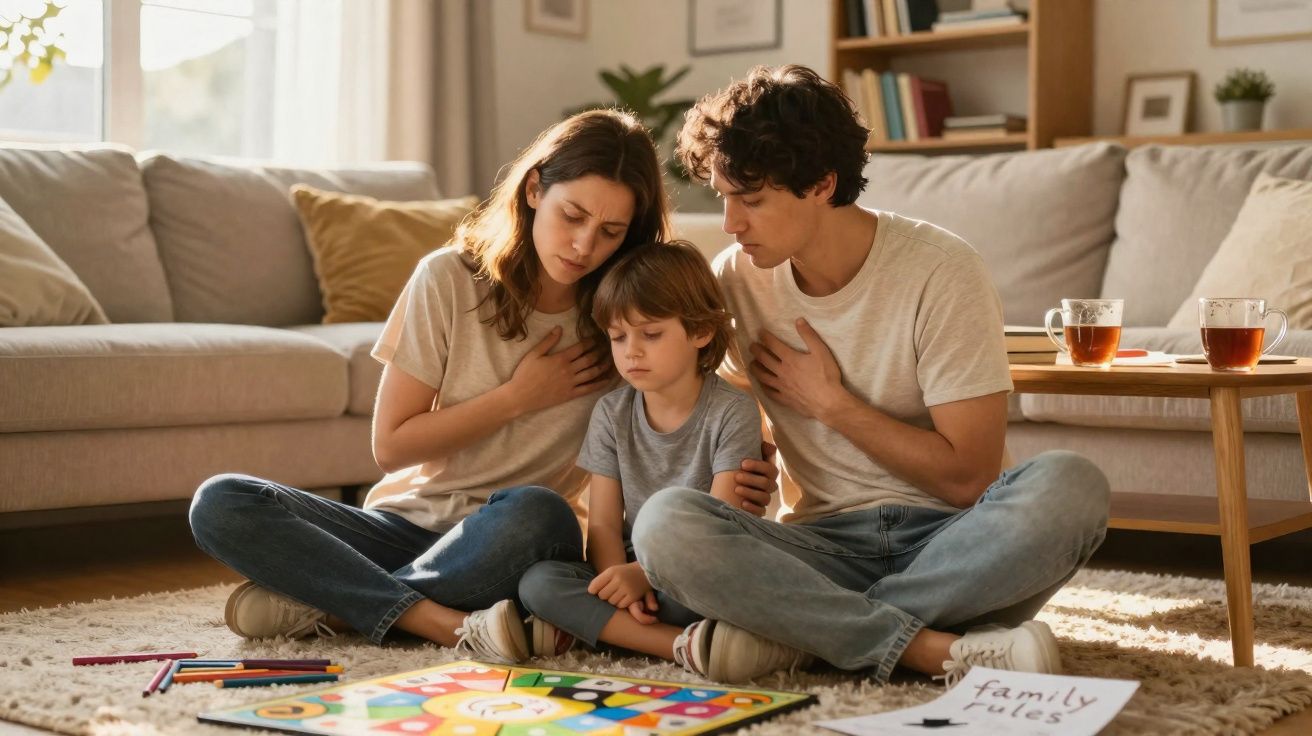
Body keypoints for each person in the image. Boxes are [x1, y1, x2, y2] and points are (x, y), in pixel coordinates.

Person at [189, 110, 776, 662]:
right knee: (222, 501)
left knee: (538, 512)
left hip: (512, 541)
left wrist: (748, 459)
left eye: (610, 232)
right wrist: (518, 397)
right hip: (403, 530)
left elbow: (693, 398)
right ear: (533, 190)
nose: (583, 246)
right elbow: (391, 447)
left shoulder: (620, 316)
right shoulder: (447, 279)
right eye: (572, 216)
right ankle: (434, 619)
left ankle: (340, 603)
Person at [631, 65, 1111, 685]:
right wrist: (741, 470)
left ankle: (801, 636)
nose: (730, 222)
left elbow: (969, 477)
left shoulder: (942, 272)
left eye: (751, 200)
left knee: (1071, 487)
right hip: (815, 550)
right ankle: (925, 646)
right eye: (724, 197)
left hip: (951, 546)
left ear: (823, 184)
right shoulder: (736, 279)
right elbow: (727, 414)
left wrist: (834, 406)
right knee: (666, 526)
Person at [516, 240, 773, 666]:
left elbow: (719, 525)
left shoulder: (733, 411)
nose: (631, 351)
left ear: (700, 331)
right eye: (618, 337)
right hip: (632, 568)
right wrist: (618, 583)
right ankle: (681, 646)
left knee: (739, 591)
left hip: (699, 566)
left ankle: (603, 630)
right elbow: (601, 524)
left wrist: (643, 578)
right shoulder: (611, 413)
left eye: (651, 334)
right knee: (538, 583)